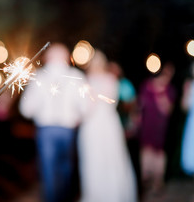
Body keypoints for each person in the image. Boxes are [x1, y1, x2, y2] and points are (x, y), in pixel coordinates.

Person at [19, 43, 89, 202]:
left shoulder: (39, 76)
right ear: (66, 57)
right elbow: (85, 107)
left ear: (47, 57)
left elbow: (26, 109)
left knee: (48, 170)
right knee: (66, 169)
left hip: (46, 130)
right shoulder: (76, 75)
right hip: (68, 130)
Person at [78, 50, 137, 202]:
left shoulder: (86, 80)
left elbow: (86, 107)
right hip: (109, 123)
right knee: (112, 159)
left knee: (95, 158)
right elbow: (115, 100)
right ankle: (115, 194)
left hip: (92, 124)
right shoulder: (112, 79)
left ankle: (97, 195)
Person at [138, 62, 176, 195]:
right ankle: (146, 180)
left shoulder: (169, 89)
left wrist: (161, 92)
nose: (168, 75)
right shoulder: (147, 85)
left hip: (161, 126)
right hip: (147, 123)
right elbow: (140, 105)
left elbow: (167, 110)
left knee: (158, 152)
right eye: (167, 71)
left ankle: (158, 182)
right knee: (146, 150)